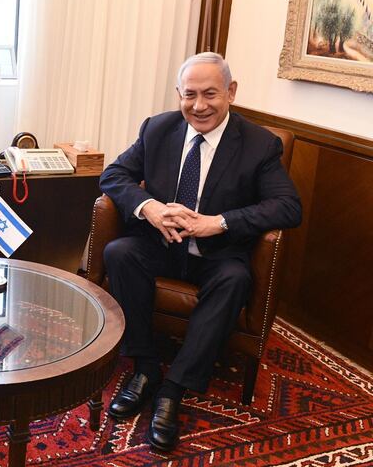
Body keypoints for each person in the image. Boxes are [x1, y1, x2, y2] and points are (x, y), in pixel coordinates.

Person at [99, 52, 301, 451]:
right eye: (189, 94)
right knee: (119, 252)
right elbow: (113, 175)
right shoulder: (157, 129)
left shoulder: (260, 144)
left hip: (218, 254)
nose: (199, 105)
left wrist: (219, 221)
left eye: (211, 93)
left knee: (235, 279)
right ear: (178, 93)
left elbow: (288, 206)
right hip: (162, 245)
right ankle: (144, 367)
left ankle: (174, 389)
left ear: (231, 92)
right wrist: (149, 208)